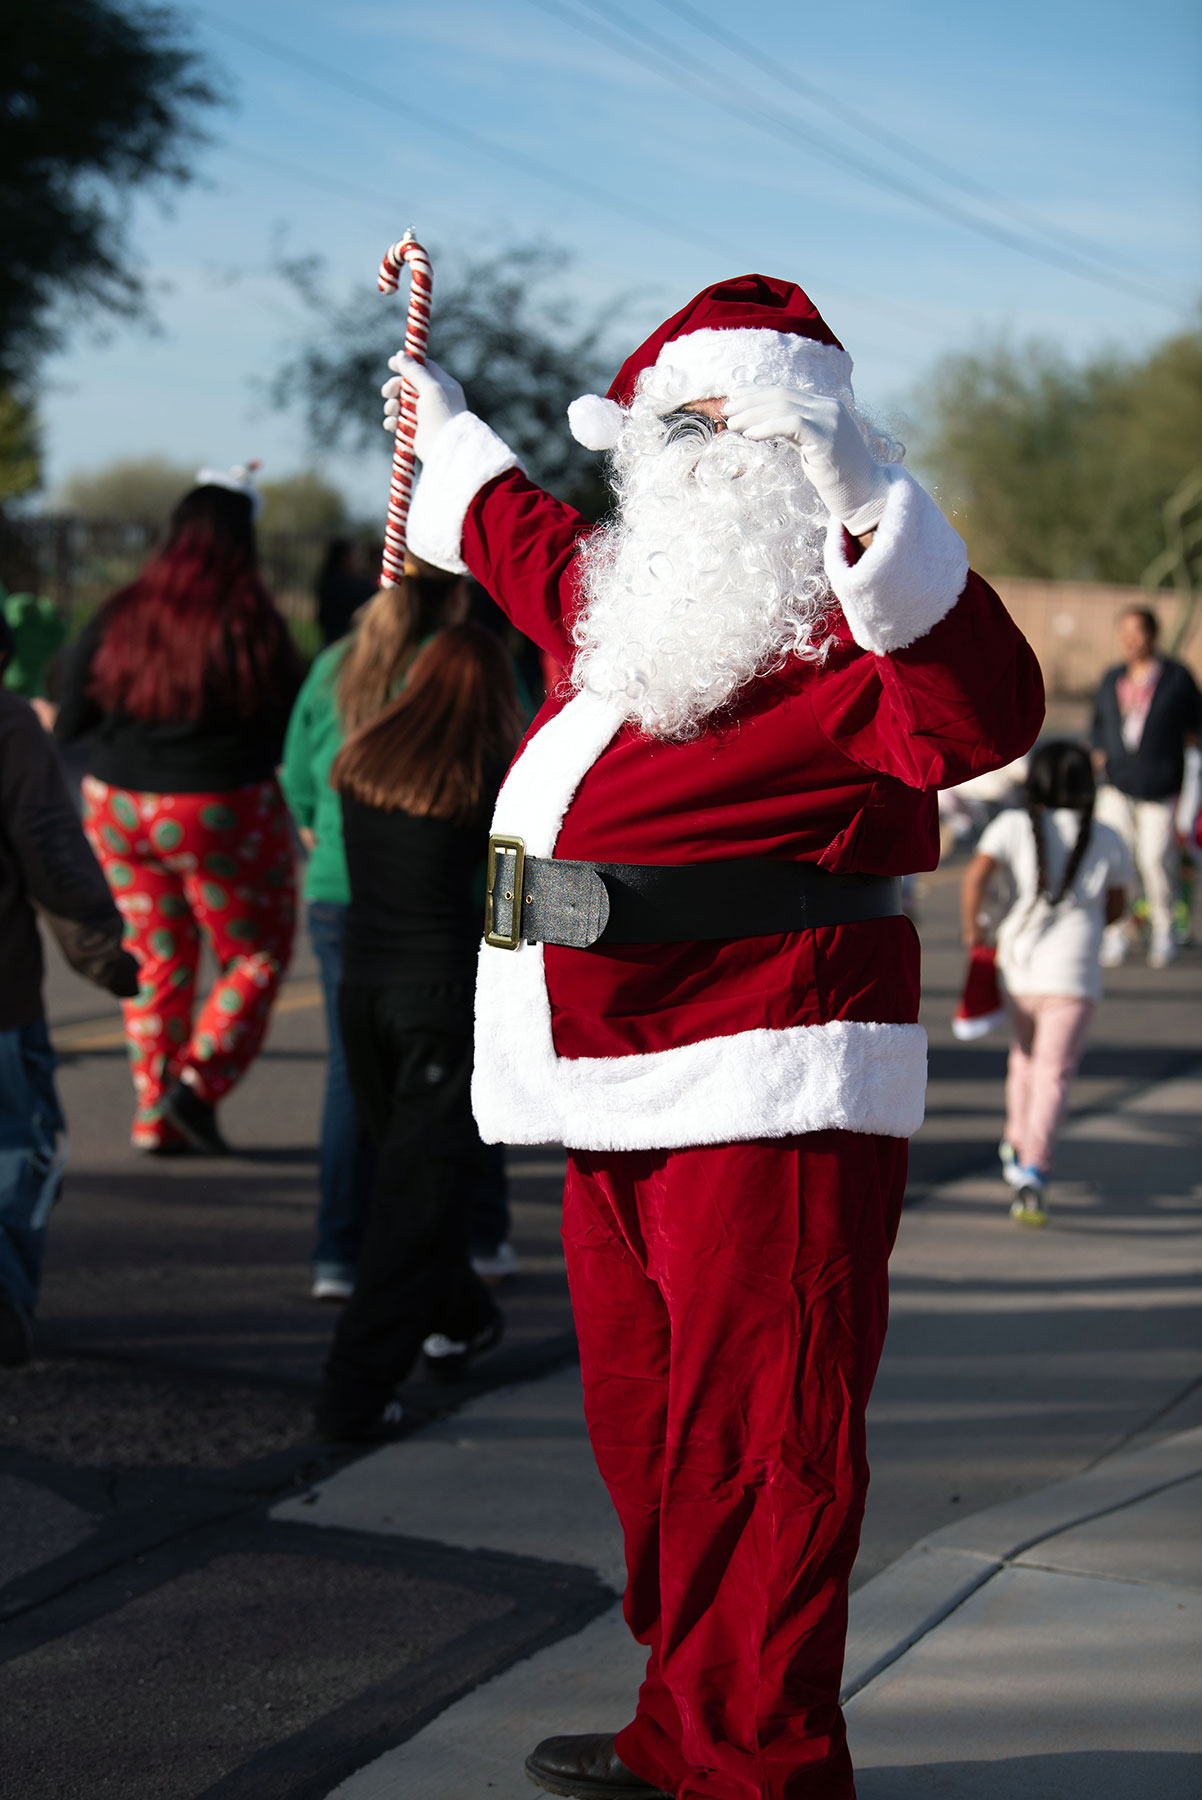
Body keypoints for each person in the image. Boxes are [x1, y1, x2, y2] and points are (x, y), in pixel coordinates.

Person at [384, 272, 1044, 1800]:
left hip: (775, 1081)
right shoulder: (629, 597)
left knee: (764, 1447)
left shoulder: (856, 627)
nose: (707, 454)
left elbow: (986, 710)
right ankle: (681, 1725)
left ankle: (761, 1767)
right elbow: (519, 538)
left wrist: (867, 496)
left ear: (808, 438)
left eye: (741, 425)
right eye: (676, 428)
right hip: (605, 1083)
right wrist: (447, 429)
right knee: (647, 1433)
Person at [313, 622, 524, 1440]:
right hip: (439, 1000)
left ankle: (460, 1315)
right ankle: (353, 1393)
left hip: (361, 994)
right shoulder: (484, 775)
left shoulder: (365, 758)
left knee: (408, 1179)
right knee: (419, 1198)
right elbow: (514, 903)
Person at [54, 470, 301, 1155]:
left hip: (118, 805)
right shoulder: (254, 622)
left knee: (156, 956)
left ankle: (152, 1115)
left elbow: (74, 718)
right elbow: (289, 727)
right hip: (219, 809)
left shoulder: (122, 612)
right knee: (253, 954)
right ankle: (195, 1087)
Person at [281, 558, 470, 1301]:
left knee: (351, 1077)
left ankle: (338, 1251)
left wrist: (326, 840)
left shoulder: (335, 661)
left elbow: (298, 777)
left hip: (338, 890)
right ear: (457, 591)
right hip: (439, 900)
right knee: (450, 1082)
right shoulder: (463, 668)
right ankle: (468, 1248)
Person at [0, 614, 138, 1364]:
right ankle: (5, 1299)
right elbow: (48, 844)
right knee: (15, 1145)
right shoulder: (9, 723)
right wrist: (98, 948)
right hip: (3, 998)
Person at [960, 741, 1131, 1225]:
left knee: (1026, 1059)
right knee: (1054, 1073)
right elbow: (1116, 906)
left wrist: (975, 926)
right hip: (1073, 975)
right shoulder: (1107, 836)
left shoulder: (1011, 826)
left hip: (1018, 967)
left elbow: (974, 877)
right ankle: (1034, 1166)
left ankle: (1017, 1142)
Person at [1091, 605, 1202, 968]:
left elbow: (1195, 727)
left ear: (1152, 635)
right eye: (1124, 631)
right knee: (1115, 860)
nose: (1130, 639)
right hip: (1116, 785)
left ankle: (1164, 929)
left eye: (1137, 631)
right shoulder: (1112, 678)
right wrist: (1099, 755)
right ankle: (1115, 932)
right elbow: (1099, 725)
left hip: (1160, 786)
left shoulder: (1175, 678)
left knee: (1155, 858)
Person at [314, 537, 375, 647]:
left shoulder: (327, 580)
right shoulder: (343, 584)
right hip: (340, 639)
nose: (356, 562)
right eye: (353, 557)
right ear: (343, 559)